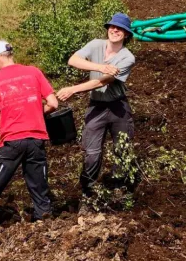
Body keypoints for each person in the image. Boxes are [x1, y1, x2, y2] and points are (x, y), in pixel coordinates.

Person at [0, 41, 58, 234]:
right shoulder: (34, 72)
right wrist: (34, 113)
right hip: (36, 139)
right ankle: (46, 225)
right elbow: (53, 103)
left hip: (12, 141)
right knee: (39, 185)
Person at [57, 13, 135, 209]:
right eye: (112, 27)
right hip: (97, 106)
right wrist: (100, 66)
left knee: (122, 148)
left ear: (126, 34)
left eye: (120, 29)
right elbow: (73, 60)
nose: (115, 30)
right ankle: (88, 189)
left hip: (118, 107)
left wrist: (73, 89)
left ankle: (119, 187)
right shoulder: (95, 44)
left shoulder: (127, 57)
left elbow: (104, 80)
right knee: (92, 151)